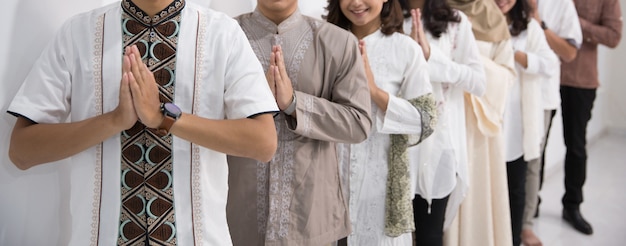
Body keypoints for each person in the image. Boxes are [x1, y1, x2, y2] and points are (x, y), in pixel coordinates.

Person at [7, 0, 279, 245]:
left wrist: (164, 118)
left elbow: (263, 142)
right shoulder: (78, 34)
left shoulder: (223, 34)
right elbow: (21, 151)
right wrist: (114, 120)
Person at [225, 0, 373, 245]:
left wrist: (295, 104)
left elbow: (358, 122)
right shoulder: (224, 36)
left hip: (313, 221)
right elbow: (204, 115)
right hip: (239, 217)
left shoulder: (338, 42)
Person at [326, 0, 435, 244]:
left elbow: (425, 120)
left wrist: (374, 92)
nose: (356, 3)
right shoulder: (323, 41)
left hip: (381, 194)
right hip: (328, 190)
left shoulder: (405, 49)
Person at [399, 0, 486, 245]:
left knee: (430, 235)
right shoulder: (386, 18)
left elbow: (479, 83)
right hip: (394, 147)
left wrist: (430, 56)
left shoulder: (455, 22)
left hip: (439, 149)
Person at [442, 0, 517, 246]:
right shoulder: (433, 9)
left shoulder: (492, 17)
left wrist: (468, 56)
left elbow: (507, 76)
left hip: (479, 127)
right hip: (442, 118)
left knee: (476, 194)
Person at [496, 0, 559, 245]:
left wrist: (518, 56)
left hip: (516, 122)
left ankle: (513, 238)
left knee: (516, 188)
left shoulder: (528, 27)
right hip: (486, 121)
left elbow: (550, 64)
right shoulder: (474, 24)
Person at [559, 0, 622, 236]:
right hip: (547, 73)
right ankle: (530, 206)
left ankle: (572, 206)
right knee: (536, 142)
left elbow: (614, 36)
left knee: (576, 146)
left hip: (581, 80)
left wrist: (576, 24)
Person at [522, 0, 582, 243]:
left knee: (532, 160)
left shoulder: (562, 4)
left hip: (541, 94)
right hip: (507, 89)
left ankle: (525, 224)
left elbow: (569, 52)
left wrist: (540, 23)